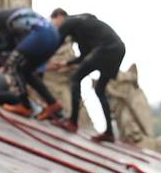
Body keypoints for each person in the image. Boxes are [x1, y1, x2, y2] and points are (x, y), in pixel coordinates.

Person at [47, 9, 125, 142]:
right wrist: (65, 63)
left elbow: (54, 44)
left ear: (60, 16)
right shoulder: (82, 25)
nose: (56, 27)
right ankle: (109, 133)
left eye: (54, 23)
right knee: (100, 90)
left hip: (105, 48)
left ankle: (72, 122)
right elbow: (84, 56)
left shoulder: (69, 21)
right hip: (118, 48)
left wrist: (41, 62)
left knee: (75, 78)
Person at [0, 6, 63, 118]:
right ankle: (52, 103)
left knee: (13, 64)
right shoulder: (7, 21)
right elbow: (9, 45)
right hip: (53, 37)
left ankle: (25, 106)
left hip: (40, 34)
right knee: (26, 71)